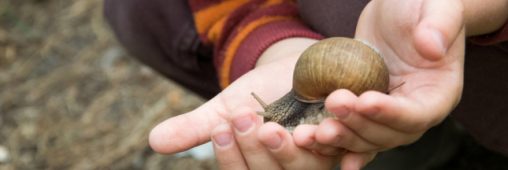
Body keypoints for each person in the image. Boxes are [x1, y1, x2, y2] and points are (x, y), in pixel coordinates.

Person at [104, 0, 508, 169]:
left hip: (474, 52)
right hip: (378, 72)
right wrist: (277, 50)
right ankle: (409, 149)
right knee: (139, 8)